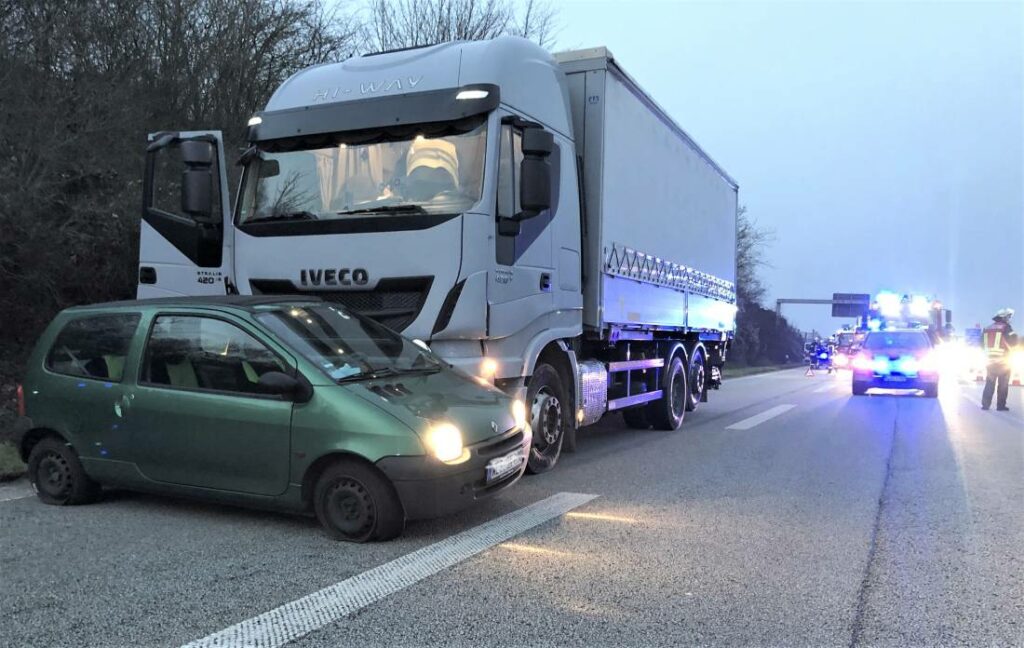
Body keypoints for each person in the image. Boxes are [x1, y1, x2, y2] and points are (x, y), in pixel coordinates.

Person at [981, 307, 1017, 411]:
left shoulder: (987, 328)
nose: (1009, 318)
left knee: (989, 383)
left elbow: (981, 344)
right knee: (1003, 385)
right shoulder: (1006, 328)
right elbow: (1013, 341)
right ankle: (1000, 406)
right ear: (1004, 317)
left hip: (990, 361)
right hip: (1003, 361)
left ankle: (985, 405)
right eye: (1008, 316)